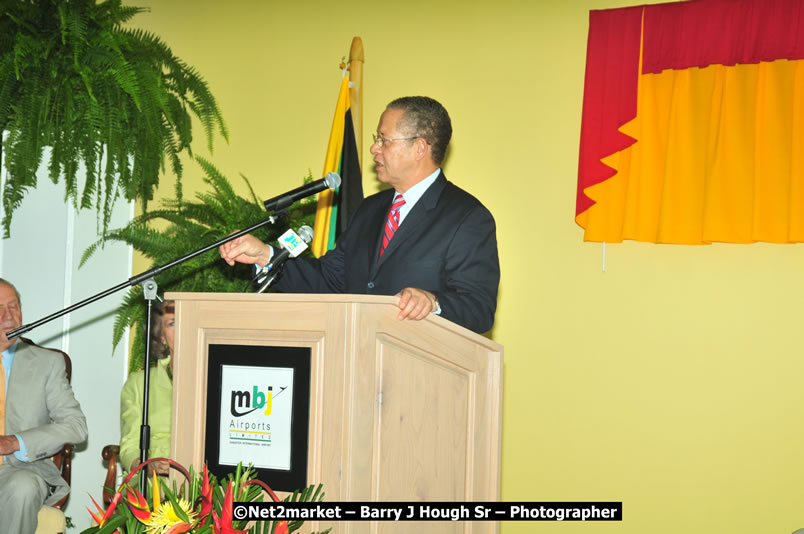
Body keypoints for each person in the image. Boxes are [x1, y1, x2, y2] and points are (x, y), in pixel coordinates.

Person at [219, 96, 500, 333]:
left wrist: (433, 302)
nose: (374, 148)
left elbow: (478, 309)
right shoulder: (370, 209)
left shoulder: (467, 218)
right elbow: (330, 280)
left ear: (419, 148)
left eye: (384, 140)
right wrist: (265, 256)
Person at [0, 278, 88, 534]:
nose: (8, 316)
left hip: (17, 470)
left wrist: (15, 442)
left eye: (13, 306)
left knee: (24, 487)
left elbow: (76, 426)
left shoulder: (47, 363)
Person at [119, 300, 175, 477]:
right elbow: (129, 447)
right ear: (161, 336)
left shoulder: (215, 377)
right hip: (155, 484)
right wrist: (148, 467)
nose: (182, 328)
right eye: (172, 323)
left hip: (206, 484)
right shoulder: (139, 383)